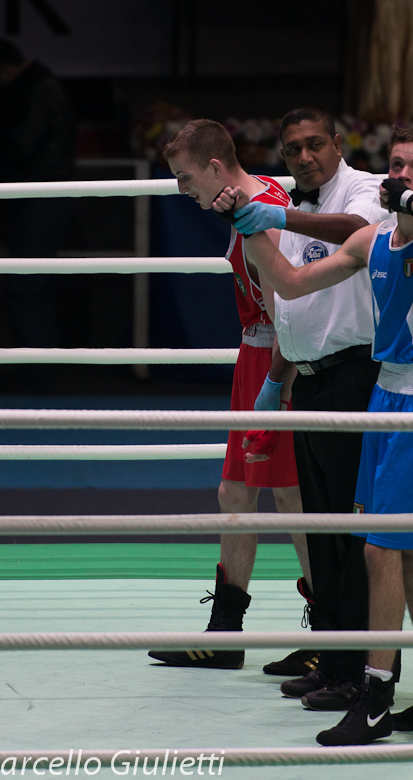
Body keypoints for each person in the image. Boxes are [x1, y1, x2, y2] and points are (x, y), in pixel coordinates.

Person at [242, 127, 413, 746]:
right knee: (408, 555)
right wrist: (251, 225)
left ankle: (375, 697)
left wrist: (406, 201)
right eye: (397, 165)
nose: (403, 173)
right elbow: (292, 285)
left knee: (381, 551)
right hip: (385, 395)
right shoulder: (371, 240)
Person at [211, 106, 395, 708]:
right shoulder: (289, 214)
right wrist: (277, 380)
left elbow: (360, 236)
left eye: (316, 145)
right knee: (320, 531)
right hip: (307, 379)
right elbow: (287, 299)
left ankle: (360, 673)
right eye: (293, 150)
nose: (305, 157)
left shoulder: (364, 189)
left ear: (338, 144)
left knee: (347, 530)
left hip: (356, 375)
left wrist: (274, 215)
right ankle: (334, 660)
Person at [146, 119, 309, 671]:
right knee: (235, 492)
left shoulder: (263, 204)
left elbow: (289, 298)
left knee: (291, 495)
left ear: (216, 167)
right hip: (255, 355)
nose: (182, 190)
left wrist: (276, 380)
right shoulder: (252, 195)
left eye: (186, 178)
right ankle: (223, 633)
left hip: (281, 358)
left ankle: (333, 637)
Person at [0, 38, 76, 392]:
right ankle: (36, 370)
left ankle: (39, 375)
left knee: (28, 285)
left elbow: (20, 146)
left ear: (2, 71)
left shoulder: (40, 90)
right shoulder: (40, 87)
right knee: (30, 283)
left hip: (41, 199)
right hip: (39, 197)